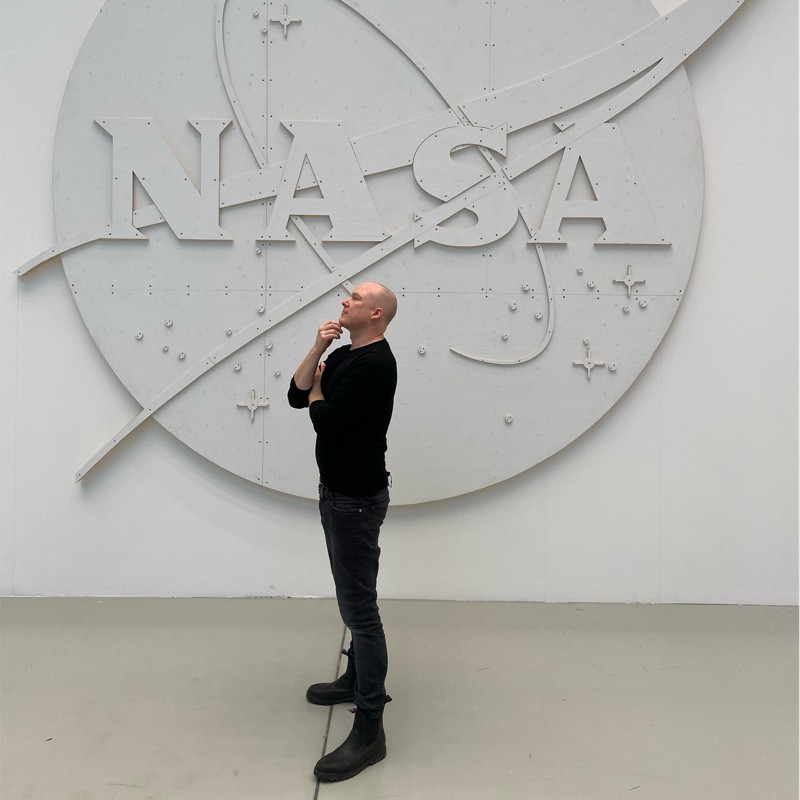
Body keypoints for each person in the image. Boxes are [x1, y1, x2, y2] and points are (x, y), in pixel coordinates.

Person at [287, 281, 398, 782]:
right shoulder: (345, 355)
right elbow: (297, 396)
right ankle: (355, 679)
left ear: (376, 314)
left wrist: (318, 393)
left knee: (361, 611)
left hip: (356, 501)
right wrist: (317, 349)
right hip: (338, 494)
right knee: (352, 599)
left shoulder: (375, 363)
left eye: (355, 298)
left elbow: (326, 421)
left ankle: (370, 728)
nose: (344, 302)